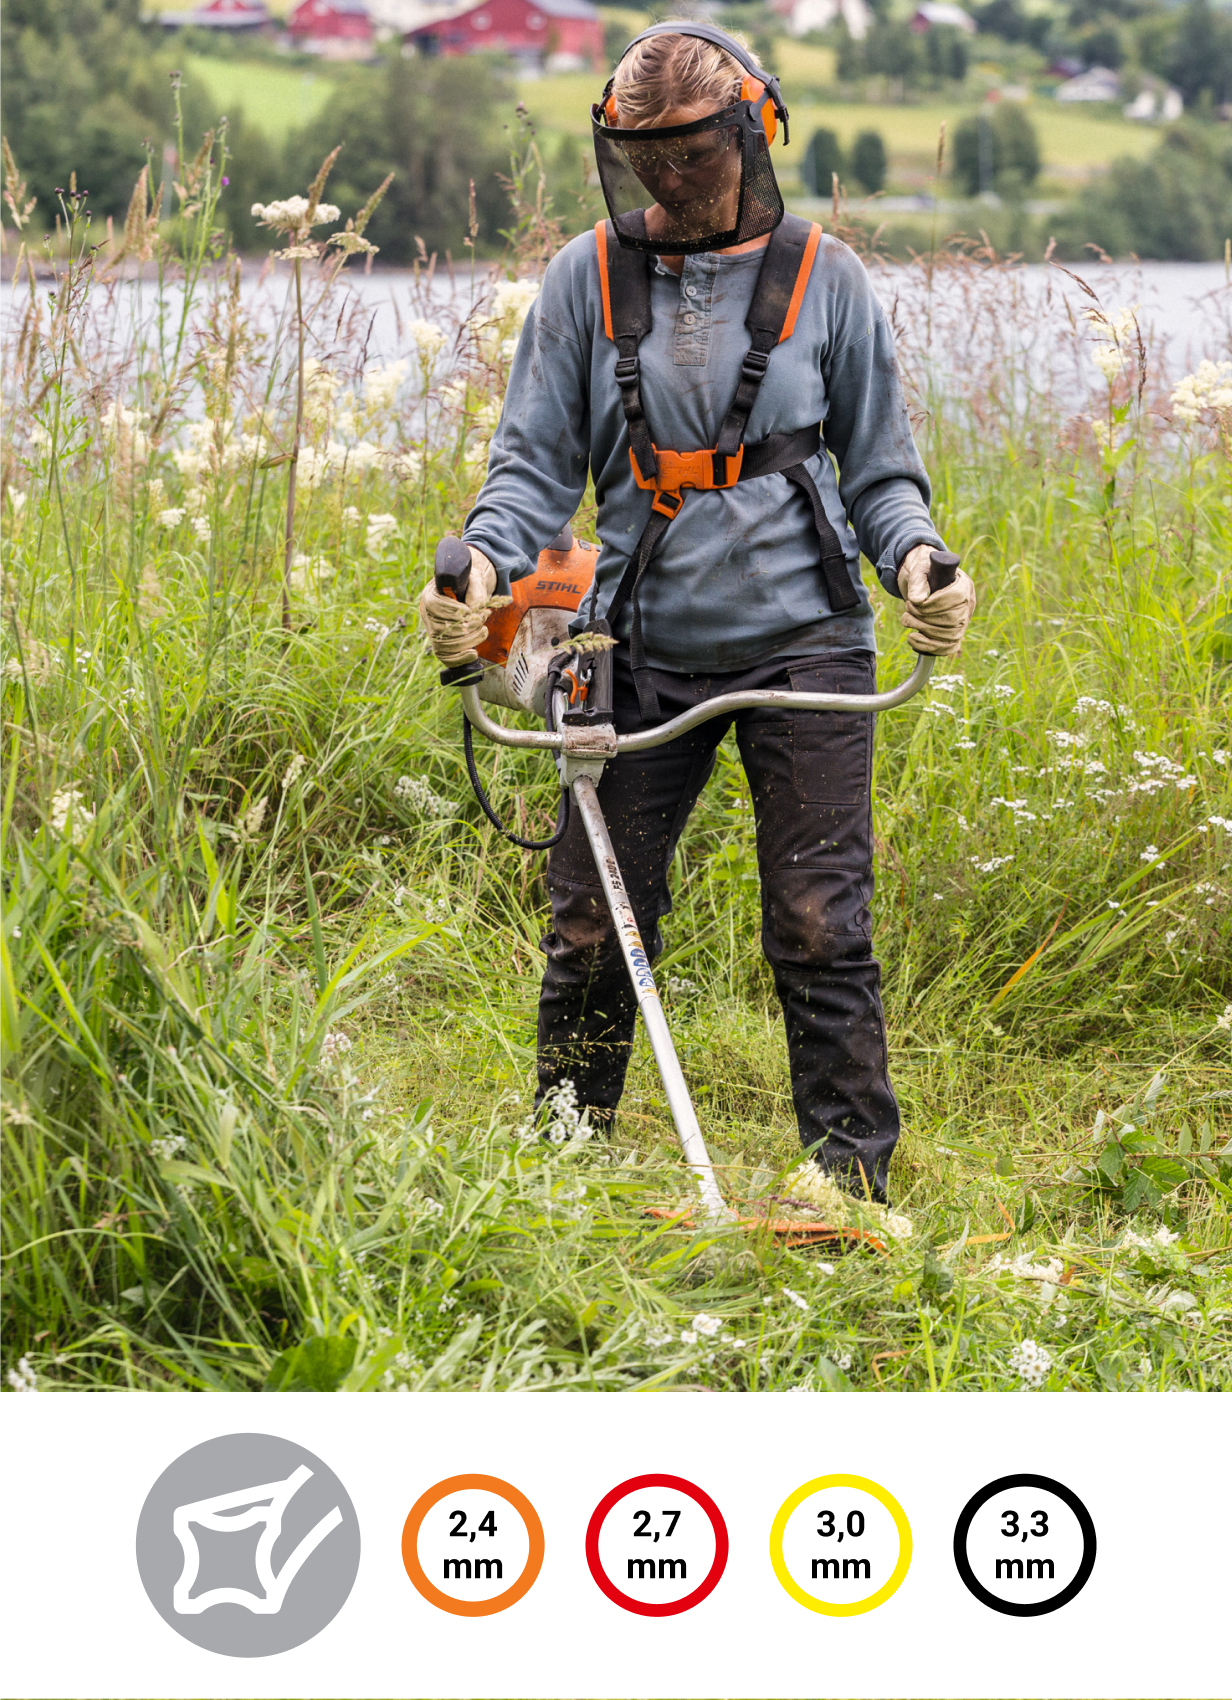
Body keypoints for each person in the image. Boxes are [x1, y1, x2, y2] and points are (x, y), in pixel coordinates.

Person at [419, 22, 976, 1203]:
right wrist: (476, 569)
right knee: (586, 921)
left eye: (691, 158)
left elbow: (878, 475)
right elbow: (529, 470)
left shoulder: (828, 278)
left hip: (806, 640)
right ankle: (562, 1169)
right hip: (636, 642)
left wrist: (921, 562)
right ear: (619, 151)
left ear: (751, 131)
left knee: (820, 918)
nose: (669, 184)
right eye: (646, 161)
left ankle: (847, 1184)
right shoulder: (586, 277)